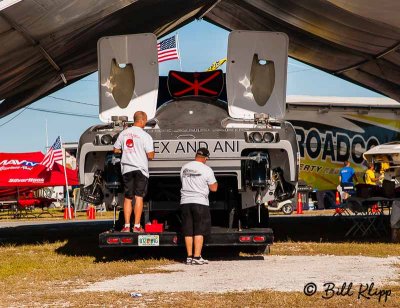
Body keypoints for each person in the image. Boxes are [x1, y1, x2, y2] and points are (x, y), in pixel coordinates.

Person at [113, 111, 154, 232]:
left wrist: (125, 152)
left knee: (128, 197)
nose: (145, 123)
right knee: (139, 197)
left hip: (127, 169)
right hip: (140, 169)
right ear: (142, 120)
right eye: (145, 120)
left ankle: (126, 226)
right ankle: (136, 226)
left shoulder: (124, 133)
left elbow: (115, 149)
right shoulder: (145, 136)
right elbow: (150, 155)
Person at [180, 148, 218, 265]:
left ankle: (189, 257)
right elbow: (214, 188)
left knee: (188, 231)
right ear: (206, 158)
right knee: (199, 230)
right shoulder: (207, 169)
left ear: (196, 155)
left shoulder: (184, 167)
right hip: (200, 202)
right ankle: (197, 257)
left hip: (185, 201)